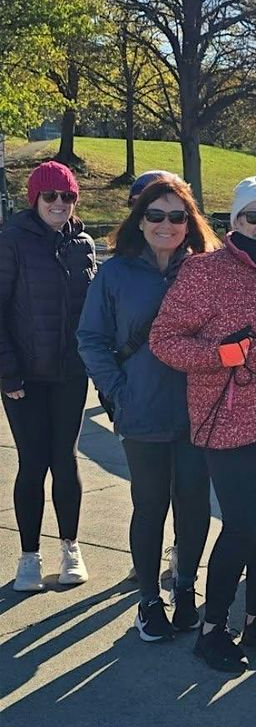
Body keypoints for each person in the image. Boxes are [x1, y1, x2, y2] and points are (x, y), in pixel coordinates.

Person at [150, 176, 256, 673]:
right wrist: (220, 355)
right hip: (230, 420)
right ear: (234, 220)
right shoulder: (206, 272)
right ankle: (212, 628)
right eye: (254, 217)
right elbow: (165, 339)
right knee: (243, 524)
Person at [78, 175, 220, 640]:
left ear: (188, 222)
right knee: (150, 504)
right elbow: (92, 339)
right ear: (139, 221)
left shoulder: (204, 270)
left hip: (198, 408)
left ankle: (184, 589)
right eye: (154, 215)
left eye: (176, 216)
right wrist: (119, 392)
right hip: (143, 411)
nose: (165, 224)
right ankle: (147, 602)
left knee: (195, 505)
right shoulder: (115, 273)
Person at [0, 160, 95, 592]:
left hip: (70, 374)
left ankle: (71, 548)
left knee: (65, 461)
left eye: (67, 196)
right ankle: (28, 557)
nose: (59, 203)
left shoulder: (83, 244)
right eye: (51, 196)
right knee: (32, 463)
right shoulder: (12, 242)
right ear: (34, 199)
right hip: (24, 378)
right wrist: (8, 373)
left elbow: (93, 314)